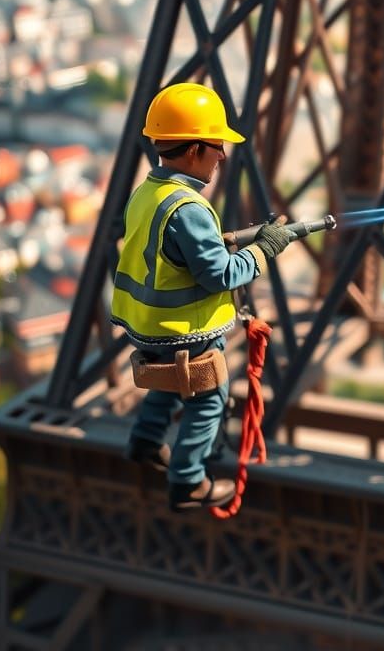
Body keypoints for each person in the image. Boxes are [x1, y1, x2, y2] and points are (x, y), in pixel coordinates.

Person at [111, 82, 293, 512]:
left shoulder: (149, 192)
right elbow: (220, 276)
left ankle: (145, 441)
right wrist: (265, 249)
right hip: (185, 329)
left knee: (172, 381)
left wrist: (216, 242)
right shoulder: (190, 209)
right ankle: (188, 480)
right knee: (207, 396)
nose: (222, 155)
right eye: (216, 146)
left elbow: (167, 251)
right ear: (194, 150)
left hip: (149, 327)